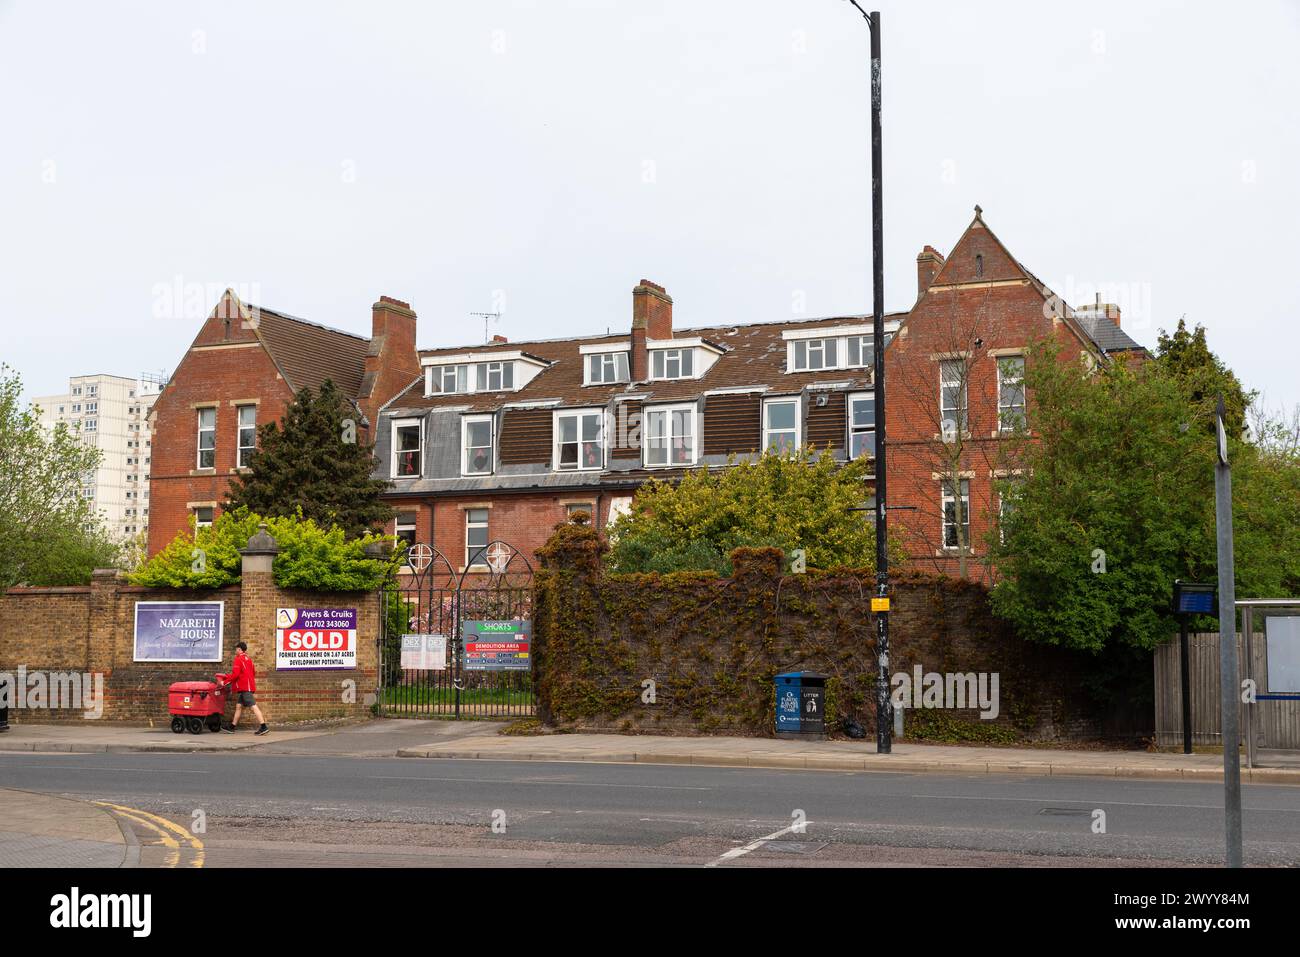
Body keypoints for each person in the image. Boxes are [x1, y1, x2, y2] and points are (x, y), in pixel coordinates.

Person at [219, 641, 268, 735]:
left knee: (253, 706)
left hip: (245, 687)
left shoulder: (238, 659)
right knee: (239, 706)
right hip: (248, 686)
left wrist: (224, 682)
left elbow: (235, 674)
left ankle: (263, 726)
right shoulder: (248, 659)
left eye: (236, 649)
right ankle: (232, 727)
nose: (235, 651)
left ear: (239, 649)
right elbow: (253, 672)